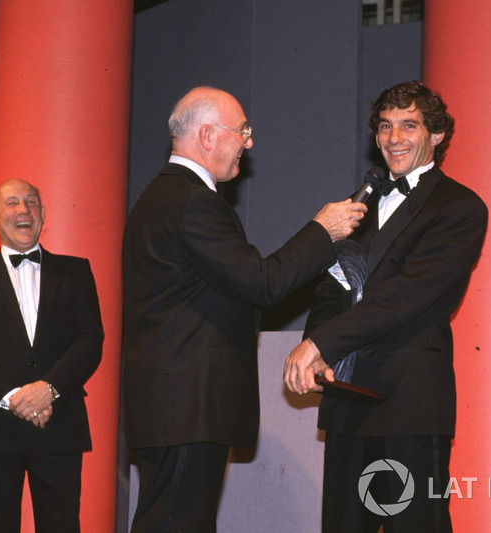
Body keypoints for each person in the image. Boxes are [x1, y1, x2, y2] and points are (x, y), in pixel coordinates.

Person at [122, 86, 368, 532]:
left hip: (173, 405)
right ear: (209, 135)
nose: (249, 143)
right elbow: (262, 283)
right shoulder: (193, 201)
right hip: (187, 407)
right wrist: (322, 230)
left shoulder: (159, 198)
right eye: (243, 131)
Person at [284, 81, 488, 533]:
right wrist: (319, 352)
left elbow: (407, 294)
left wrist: (322, 342)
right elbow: (332, 286)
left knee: (415, 525)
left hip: (408, 402)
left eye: (409, 126)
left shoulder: (460, 207)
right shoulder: (358, 207)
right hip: (347, 398)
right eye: (385, 126)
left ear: (436, 136)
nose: (394, 138)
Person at [0, 179, 104, 533]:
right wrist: (16, 397)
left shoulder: (76, 272)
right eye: (12, 203)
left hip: (59, 423)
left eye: (31, 202)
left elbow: (91, 340)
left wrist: (48, 388)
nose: (23, 210)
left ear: (43, 214)